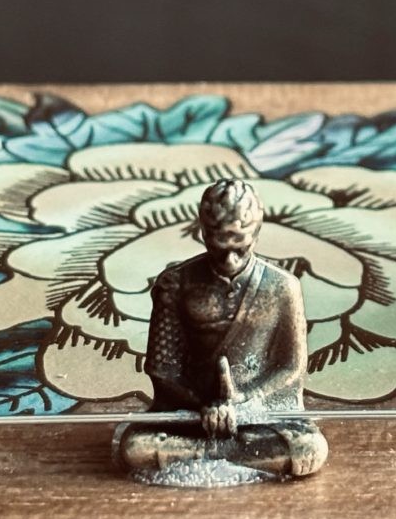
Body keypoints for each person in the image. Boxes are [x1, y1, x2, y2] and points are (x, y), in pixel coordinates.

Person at [116, 178, 328, 480]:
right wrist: (204, 404)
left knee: (309, 449)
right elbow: (163, 368)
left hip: (259, 416)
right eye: (219, 247)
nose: (230, 259)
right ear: (204, 233)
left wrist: (246, 401)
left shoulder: (283, 287)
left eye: (240, 247)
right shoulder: (176, 283)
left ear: (256, 233)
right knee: (135, 448)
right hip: (192, 414)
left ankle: (207, 453)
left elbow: (291, 366)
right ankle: (235, 454)